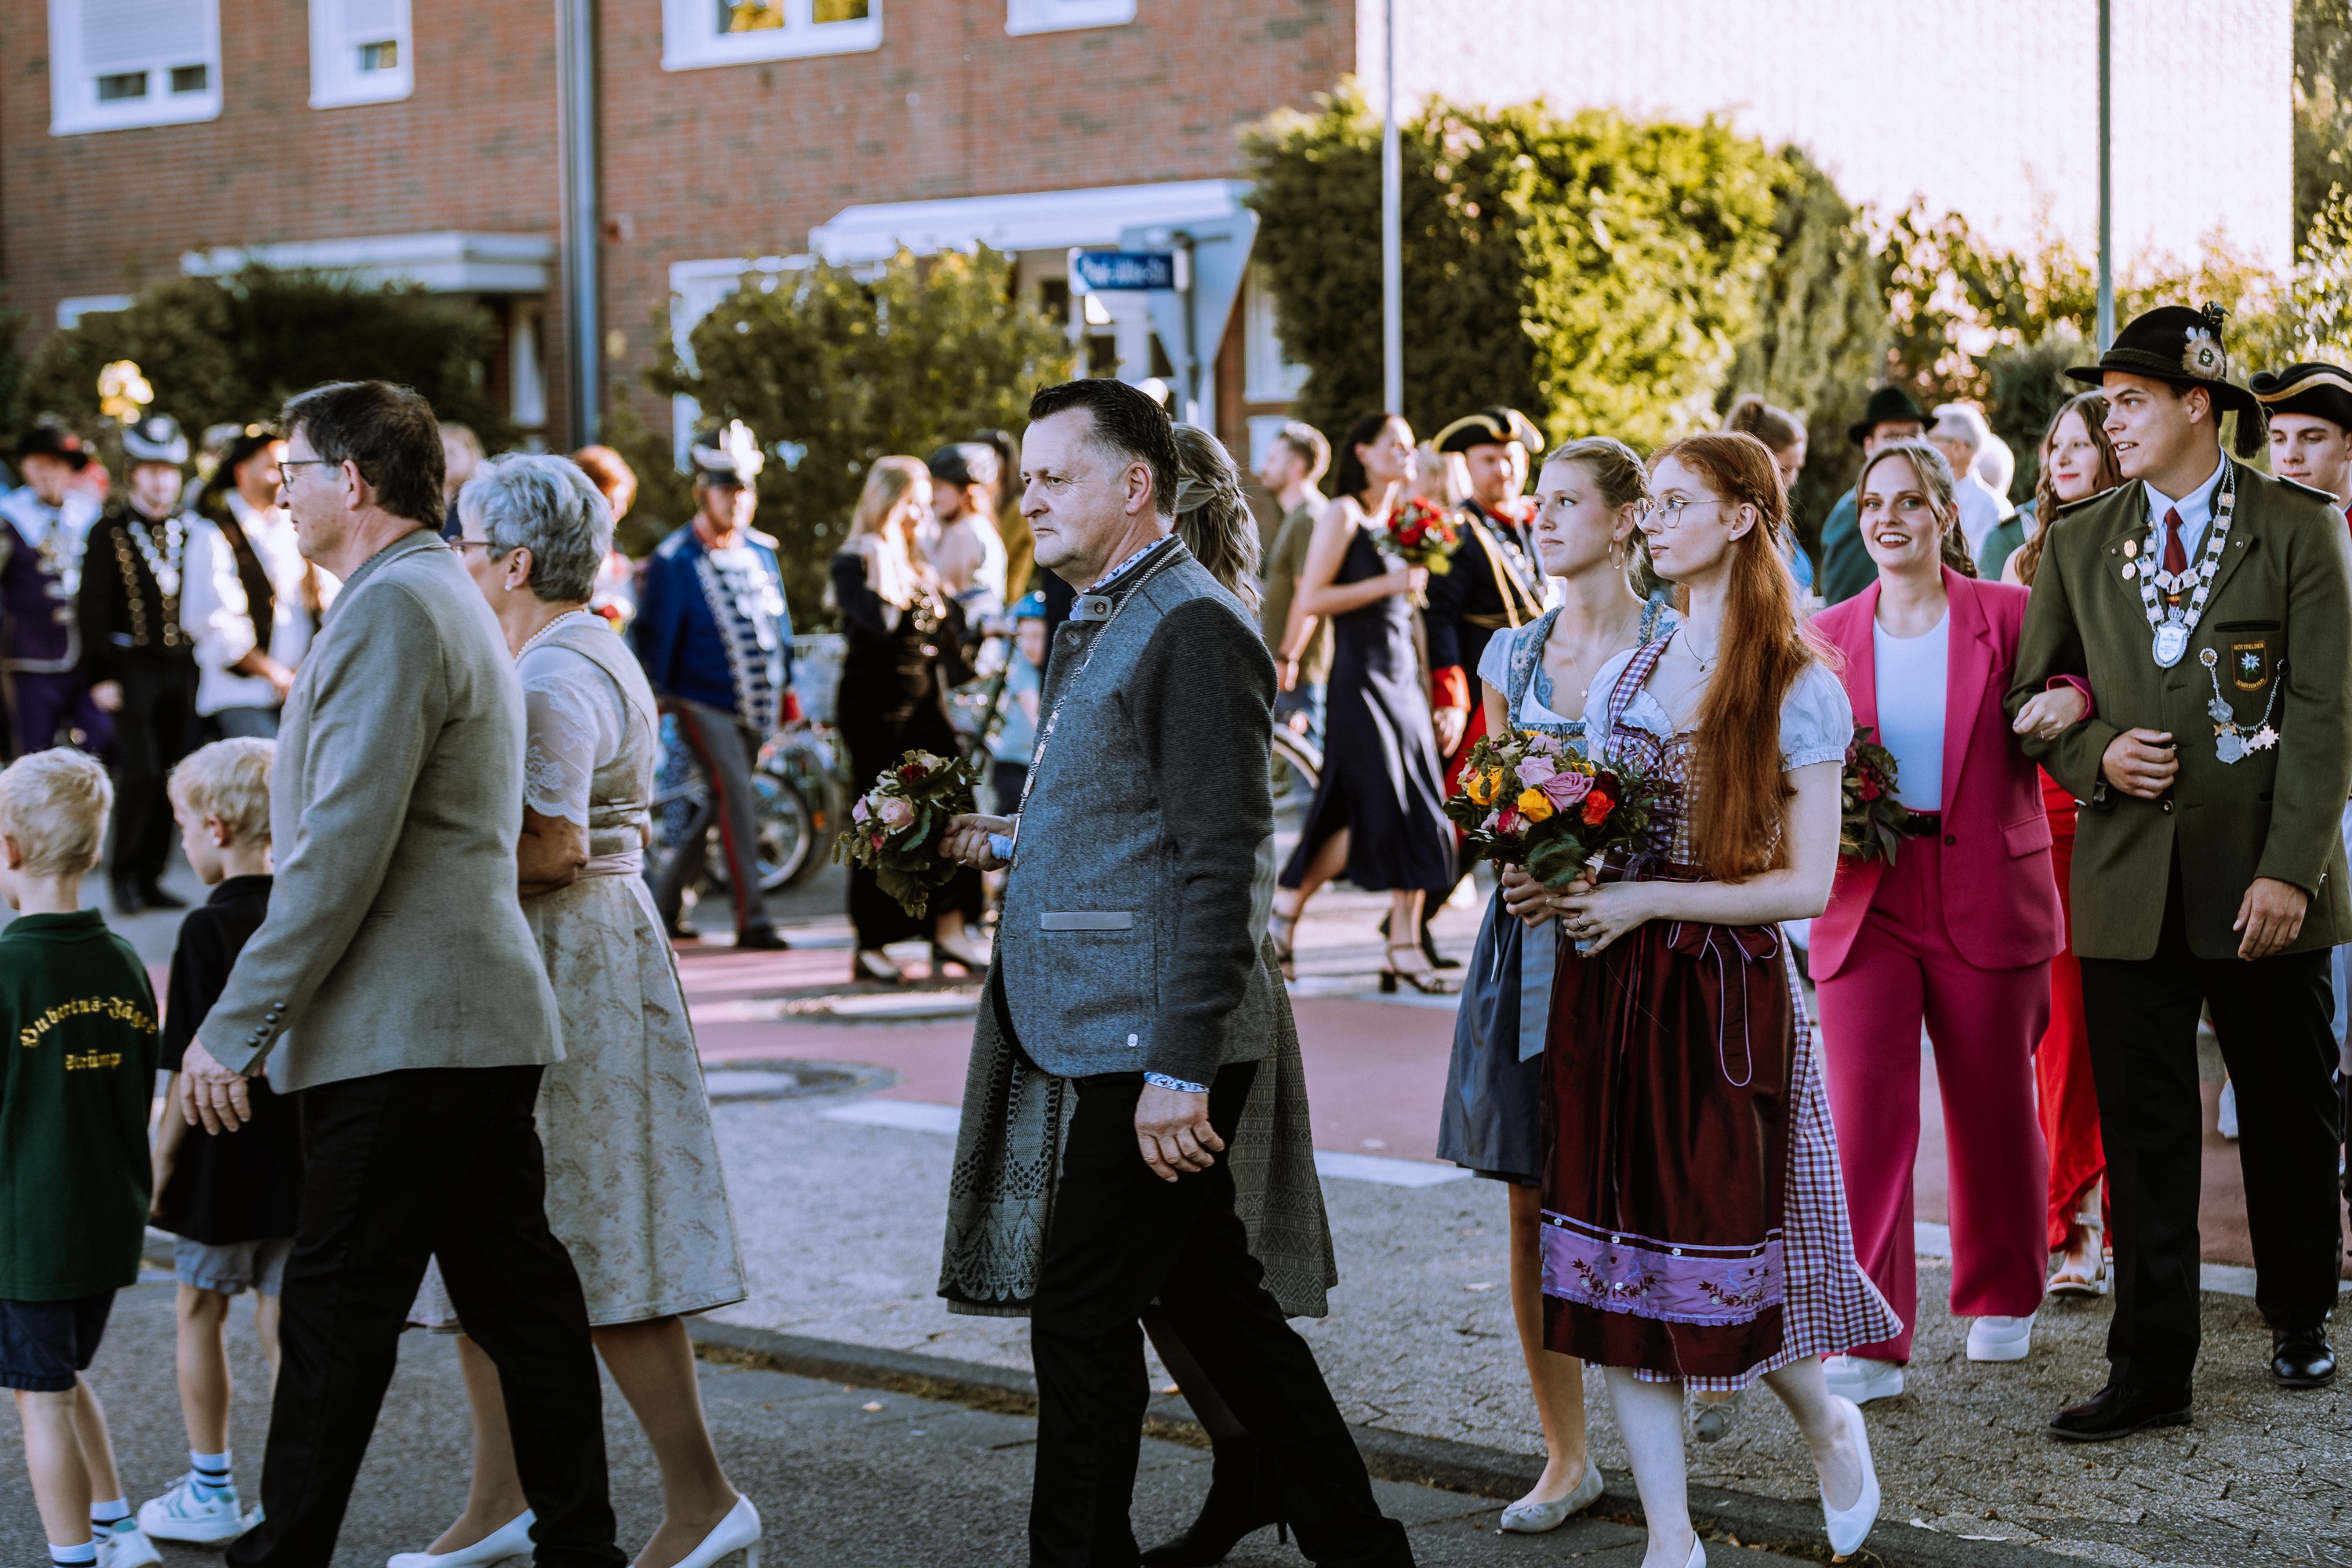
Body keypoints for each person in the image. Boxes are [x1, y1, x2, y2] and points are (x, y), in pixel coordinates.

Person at [935, 376, 1411, 1568]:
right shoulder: (1110, 608)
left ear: (1136, 484)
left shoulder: (1190, 622)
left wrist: (1178, 1068)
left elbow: (1223, 861)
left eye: (1056, 477)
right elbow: (1131, 813)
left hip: (1152, 1039)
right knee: (1218, 1308)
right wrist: (1008, 838)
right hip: (1114, 1026)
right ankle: (1363, 1547)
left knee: (1082, 1316)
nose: (1030, 500)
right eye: (1027, 479)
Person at [170, 380, 623, 1567]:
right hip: (458, 1020)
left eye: (291, 472)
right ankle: (582, 1545)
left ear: (352, 479)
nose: (279, 493)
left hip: (411, 1028)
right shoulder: (422, 591)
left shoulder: (396, 607)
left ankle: (285, 1556)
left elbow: (339, 848)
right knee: (520, 1301)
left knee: (335, 1314)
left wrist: (232, 1023)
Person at [1540, 431, 1899, 1568]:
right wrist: (1552, 870)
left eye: (1676, 503)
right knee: (1615, 1265)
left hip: (1723, 998)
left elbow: (1806, 885)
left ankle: (1827, 1423)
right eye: (1649, 504)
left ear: (1742, 516)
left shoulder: (1799, 683)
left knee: (1726, 1257)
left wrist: (1644, 898)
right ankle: (1671, 1537)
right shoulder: (1624, 678)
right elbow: (1602, 842)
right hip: (1612, 990)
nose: (1652, 521)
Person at [2009, 304, 2352, 1437]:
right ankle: (2151, 1369)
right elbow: (2030, 697)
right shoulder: (2079, 537)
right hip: (2126, 881)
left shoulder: (2299, 525)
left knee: (2292, 1115)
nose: (2110, 422)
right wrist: (2094, 753)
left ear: (2197, 404)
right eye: (2107, 403)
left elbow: (2324, 713)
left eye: (2131, 401)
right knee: (2145, 1137)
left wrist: (2291, 872)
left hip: (2263, 883)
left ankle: (2299, 1311)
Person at [414, 454, 757, 1568]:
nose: (453, 558)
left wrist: (406, 868)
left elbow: (553, 849)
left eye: (465, 542)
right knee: (495, 1234)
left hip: (568, 965)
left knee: (595, 1236)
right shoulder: (567, 648)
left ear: (514, 562)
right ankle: (501, 1498)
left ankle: (702, 1501)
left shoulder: (555, 675)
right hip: (567, 953)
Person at [1437, 437, 1667, 1530]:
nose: (1544, 517)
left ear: (1626, 520)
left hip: (1642, 946)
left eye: (1568, 501)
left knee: (1649, 1192)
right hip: (1530, 946)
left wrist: (1601, 875)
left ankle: (1678, 1405)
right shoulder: (1510, 655)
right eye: (1541, 501)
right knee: (1532, 1201)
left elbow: (1697, 806)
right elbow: (1495, 803)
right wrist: (1518, 864)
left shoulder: (1678, 644)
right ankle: (1567, 1454)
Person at [1806, 443, 2063, 1403]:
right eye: (1874, 502)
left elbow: (2079, 684)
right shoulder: (1825, 634)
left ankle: (2003, 1290)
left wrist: (2068, 699)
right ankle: (1869, 1330)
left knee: (1993, 1103)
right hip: (1866, 890)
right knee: (1865, 1118)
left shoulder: (2010, 613)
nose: (1889, 518)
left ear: (1945, 514)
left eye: (1909, 501)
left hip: (1987, 885)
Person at [0, 747, 163, 1568]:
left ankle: (73, 1556)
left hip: (31, 1231)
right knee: (58, 1377)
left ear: (8, 849)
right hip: (106, 1219)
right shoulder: (123, 960)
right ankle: (118, 1526)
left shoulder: (8, 969)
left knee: (41, 1399)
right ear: (96, 850)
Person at [138, 739, 291, 1548]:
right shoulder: (306, 910)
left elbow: (185, 1066)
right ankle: (289, 1491)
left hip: (217, 1156)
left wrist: (158, 1167)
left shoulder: (207, 927)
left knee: (199, 1307)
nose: (184, 842)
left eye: (181, 827)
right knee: (285, 1322)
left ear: (216, 827)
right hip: (301, 1155)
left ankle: (211, 1486)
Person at [1270, 413, 1457, 994]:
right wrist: (1289, 655)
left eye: (1409, 445)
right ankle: (1287, 912)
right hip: (1360, 679)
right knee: (1366, 805)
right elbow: (1313, 596)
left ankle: (1401, 943)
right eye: (1393, 444)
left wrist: (1431, 684)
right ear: (1363, 453)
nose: (1406, 453)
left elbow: (1414, 612)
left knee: (1420, 806)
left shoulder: (1407, 520)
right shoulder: (1344, 513)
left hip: (1404, 678)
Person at [2007, 393, 2125, 1295]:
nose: (2063, 456)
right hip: (2049, 811)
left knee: (2136, 1022)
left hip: (2133, 802)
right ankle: (2072, 1218)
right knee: (2067, 1030)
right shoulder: (2025, 560)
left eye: (2082, 443)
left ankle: (2128, 1213)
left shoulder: (2144, 550)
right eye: (2056, 444)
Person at [634, 419, 793, 951]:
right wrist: (658, 694)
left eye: (744, 490)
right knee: (737, 796)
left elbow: (781, 627)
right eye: (727, 490)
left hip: (756, 704)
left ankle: (663, 904)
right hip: (699, 699)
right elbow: (657, 633)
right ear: (704, 492)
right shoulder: (675, 557)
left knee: (721, 803)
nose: (737, 500)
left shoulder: (762, 551)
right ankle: (754, 919)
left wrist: (789, 692)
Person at [831, 456, 988, 984]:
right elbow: (878, 622)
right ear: (888, 503)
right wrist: (883, 559)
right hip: (874, 711)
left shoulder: (923, 566)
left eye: (925, 502)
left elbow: (952, 652)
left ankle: (950, 929)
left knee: (952, 806)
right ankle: (871, 942)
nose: (923, 513)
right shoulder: (856, 559)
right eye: (913, 502)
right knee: (880, 822)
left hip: (924, 707)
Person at [78, 414, 201, 915]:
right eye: (151, 470)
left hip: (181, 666)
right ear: (133, 474)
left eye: (169, 470)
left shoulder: (190, 529)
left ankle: (152, 875)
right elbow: (91, 607)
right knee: (142, 770)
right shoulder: (109, 530)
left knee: (173, 770)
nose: (161, 481)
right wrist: (101, 674)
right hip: (131, 666)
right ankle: (124, 875)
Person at [183, 429, 328, 741]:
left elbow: (324, 601)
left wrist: (305, 673)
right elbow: (215, 623)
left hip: (302, 692)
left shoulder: (295, 529)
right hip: (242, 695)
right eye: (273, 467)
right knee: (266, 766)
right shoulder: (212, 533)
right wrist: (276, 675)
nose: (283, 478)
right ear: (242, 472)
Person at [0, 424, 107, 758]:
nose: (49, 474)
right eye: (40, 464)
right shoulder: (8, 516)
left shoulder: (89, 514)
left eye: (57, 465)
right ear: (25, 467)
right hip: (29, 656)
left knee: (101, 741)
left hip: (87, 656)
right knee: (32, 751)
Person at [1816, 387, 1932, 605]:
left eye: (1914, 434)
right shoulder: (1854, 513)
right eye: (1893, 437)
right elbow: (1846, 606)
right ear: (1869, 446)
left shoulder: (1933, 502)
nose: (1907, 445)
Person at [1255, 423, 1332, 750]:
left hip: (1298, 675)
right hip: (1290, 669)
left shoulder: (1309, 518)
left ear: (1296, 466)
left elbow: (1307, 594)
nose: (1263, 467)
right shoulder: (1297, 516)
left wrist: (1288, 657)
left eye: (1273, 459)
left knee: (1302, 766)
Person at [1723, 395, 1814, 598]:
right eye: (1784, 469)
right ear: (1754, 464)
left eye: (1798, 468)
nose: (1792, 480)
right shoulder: (1737, 526)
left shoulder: (1778, 522)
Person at [926, 443, 1011, 619]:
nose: (932, 497)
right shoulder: (979, 525)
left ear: (965, 491)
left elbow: (947, 593)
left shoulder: (961, 534)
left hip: (969, 630)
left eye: (939, 488)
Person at [1928, 405, 2016, 561]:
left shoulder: (1992, 508)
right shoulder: (1928, 496)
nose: (1924, 446)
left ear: (1958, 448)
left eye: (1932, 439)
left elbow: (1984, 569)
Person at [571, 445, 642, 629]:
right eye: (610, 500)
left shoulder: (614, 546)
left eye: (623, 501)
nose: (619, 509)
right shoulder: (569, 551)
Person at [438, 421, 486, 537]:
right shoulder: (425, 499)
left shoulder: (480, 499)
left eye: (451, 453)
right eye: (439, 453)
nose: (444, 460)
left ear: (472, 455)